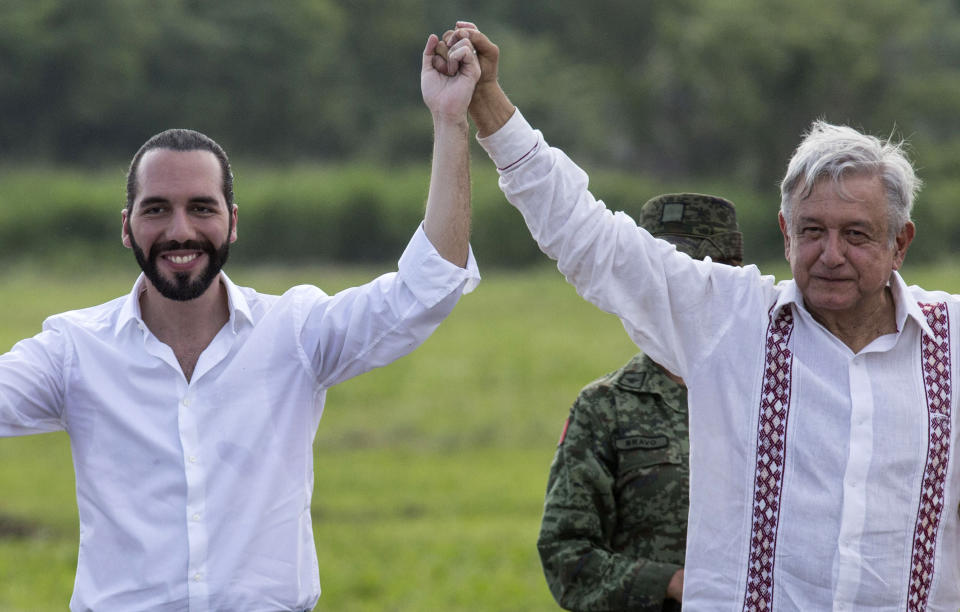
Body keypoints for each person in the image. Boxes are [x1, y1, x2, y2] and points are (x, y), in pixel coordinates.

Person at [444, 21, 959, 610]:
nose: (831, 254)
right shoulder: (733, 324)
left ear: (901, 243)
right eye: (813, 231)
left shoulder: (954, 344)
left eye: (857, 235)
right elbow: (588, 237)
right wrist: (487, 103)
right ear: (787, 235)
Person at [0, 35, 481, 612]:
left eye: (202, 208)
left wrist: (450, 121)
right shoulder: (74, 350)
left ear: (232, 224)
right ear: (127, 227)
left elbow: (428, 286)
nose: (180, 230)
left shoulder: (296, 332)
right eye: (157, 209)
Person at [537, 193, 743, 612]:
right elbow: (566, 556)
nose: (674, 295)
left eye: (690, 278)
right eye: (660, 279)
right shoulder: (605, 407)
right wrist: (669, 583)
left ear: (731, 280)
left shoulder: (770, 392)